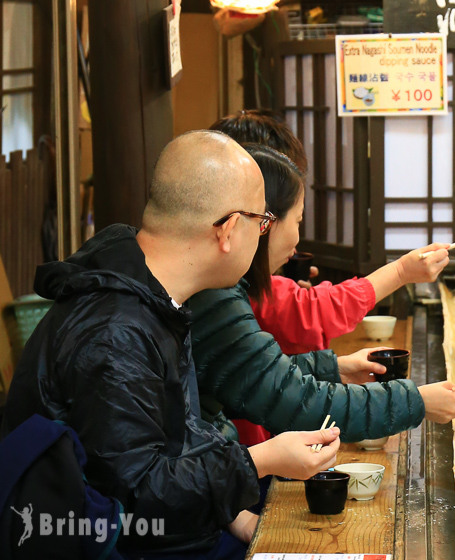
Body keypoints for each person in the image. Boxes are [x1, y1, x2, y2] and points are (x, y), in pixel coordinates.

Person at [1, 131, 342, 558]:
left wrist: (234, 515)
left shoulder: (150, 294)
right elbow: (138, 493)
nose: (263, 236)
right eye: (263, 222)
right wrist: (261, 461)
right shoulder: (116, 330)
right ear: (230, 229)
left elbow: (174, 437)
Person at [188, 143, 455, 448]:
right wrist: (415, 401)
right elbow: (299, 401)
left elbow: (256, 376)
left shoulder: (208, 288)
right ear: (254, 223)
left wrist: (332, 369)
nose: (296, 241)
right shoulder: (214, 298)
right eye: (297, 221)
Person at [211, 110, 447, 354]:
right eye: (298, 220)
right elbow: (312, 313)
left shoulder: (218, 278)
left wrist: (335, 369)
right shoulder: (224, 293)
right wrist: (401, 272)